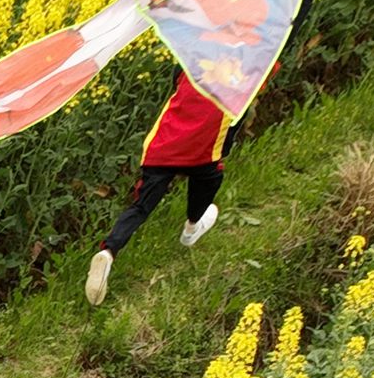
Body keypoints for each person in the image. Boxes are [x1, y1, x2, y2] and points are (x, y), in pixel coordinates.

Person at [85, 58, 253, 303]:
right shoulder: (248, 77)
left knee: (140, 207)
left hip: (161, 149)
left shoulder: (192, 61)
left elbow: (176, 74)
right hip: (202, 155)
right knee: (209, 178)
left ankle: (108, 252)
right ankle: (192, 227)